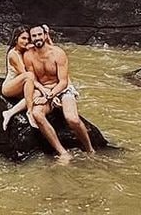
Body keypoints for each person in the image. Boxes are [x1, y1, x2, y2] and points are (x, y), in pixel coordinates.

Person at [24, 24, 95, 161]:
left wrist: (51, 95)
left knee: (72, 119)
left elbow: (63, 82)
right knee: (37, 113)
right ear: (31, 38)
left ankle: (89, 149)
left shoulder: (58, 53)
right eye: (34, 36)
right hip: (44, 90)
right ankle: (63, 152)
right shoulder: (28, 56)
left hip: (62, 89)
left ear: (45, 35)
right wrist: (44, 92)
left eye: (40, 34)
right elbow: (32, 78)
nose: (37, 38)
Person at [0, 26, 37, 131]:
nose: (26, 41)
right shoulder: (13, 54)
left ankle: (9, 113)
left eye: (28, 39)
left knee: (37, 95)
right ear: (16, 39)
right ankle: (30, 111)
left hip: (21, 86)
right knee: (29, 75)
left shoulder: (25, 51)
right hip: (9, 87)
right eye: (23, 38)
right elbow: (25, 74)